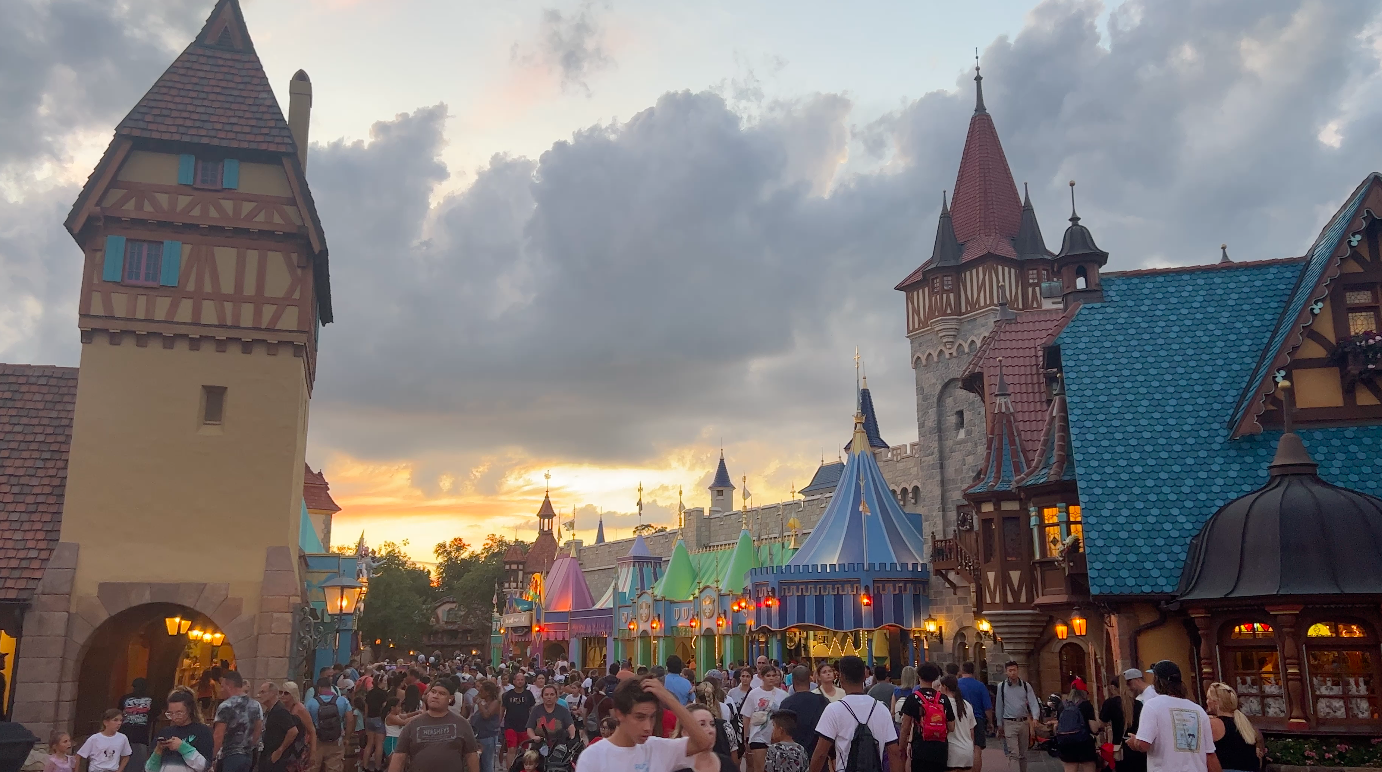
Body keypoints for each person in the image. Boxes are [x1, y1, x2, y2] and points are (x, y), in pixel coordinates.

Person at [575, 676, 711, 772]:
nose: (648, 727)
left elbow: (703, 742)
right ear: (619, 714)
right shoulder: (593, 757)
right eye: (640, 717)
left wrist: (668, 698)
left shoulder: (658, 749)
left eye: (652, 717)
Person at [809, 656, 901, 772]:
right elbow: (894, 752)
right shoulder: (881, 709)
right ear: (864, 677)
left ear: (841, 678)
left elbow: (821, 753)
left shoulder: (833, 710)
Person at [1126, 661, 1219, 772]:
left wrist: (1135, 742)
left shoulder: (1152, 705)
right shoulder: (1198, 710)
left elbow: (1143, 744)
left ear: (1157, 680)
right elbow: (1210, 754)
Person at [385, 681, 479, 772]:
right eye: (433, 692)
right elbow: (399, 757)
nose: (435, 696)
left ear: (450, 698)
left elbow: (471, 755)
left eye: (442, 693)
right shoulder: (412, 725)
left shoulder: (461, 724)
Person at [899, 663, 954, 772]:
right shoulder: (943, 698)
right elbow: (951, 726)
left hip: (920, 748)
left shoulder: (913, 698)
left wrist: (901, 747)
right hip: (940, 749)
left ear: (919, 676)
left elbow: (905, 727)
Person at [147, 690, 213, 772]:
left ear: (189, 710)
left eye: (179, 713)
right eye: (170, 713)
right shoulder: (164, 732)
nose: (174, 717)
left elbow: (205, 766)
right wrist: (158, 751)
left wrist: (182, 747)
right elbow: (150, 769)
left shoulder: (202, 731)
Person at [212, 671, 262, 772]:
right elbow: (258, 730)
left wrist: (211, 757)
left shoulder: (226, 706)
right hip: (248, 756)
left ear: (229, 686)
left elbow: (218, 736)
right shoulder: (255, 705)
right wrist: (249, 746)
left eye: (222, 686)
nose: (220, 690)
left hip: (230, 756)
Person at [994, 661, 1040, 772]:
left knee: (1023, 754)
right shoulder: (1001, 687)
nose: (1013, 673)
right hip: (1009, 722)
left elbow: (1033, 702)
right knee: (1014, 754)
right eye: (1010, 670)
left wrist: (1035, 717)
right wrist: (999, 724)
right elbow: (999, 705)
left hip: (1023, 722)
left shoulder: (1025, 686)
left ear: (1017, 670)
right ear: (1006, 672)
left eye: (1014, 670)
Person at [1204, 684, 1261, 772]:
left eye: (1208, 698)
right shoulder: (1245, 723)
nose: (1207, 701)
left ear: (1216, 702)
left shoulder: (1214, 724)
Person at [743, 666, 790, 772]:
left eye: (773, 675)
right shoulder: (753, 694)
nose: (771, 678)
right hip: (758, 736)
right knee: (760, 768)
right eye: (768, 676)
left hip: (776, 737)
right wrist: (745, 738)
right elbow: (746, 717)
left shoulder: (783, 695)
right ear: (762, 677)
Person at [779, 666, 828, 759]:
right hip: (817, 754)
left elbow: (781, 732)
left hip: (793, 756)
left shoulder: (786, 703)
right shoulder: (822, 701)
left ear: (793, 681)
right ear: (809, 679)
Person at [306, 676, 351, 772]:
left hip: (317, 741)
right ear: (330, 687)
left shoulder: (311, 702)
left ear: (319, 688)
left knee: (313, 767)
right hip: (336, 740)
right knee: (334, 768)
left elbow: (305, 722)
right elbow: (350, 719)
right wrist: (347, 738)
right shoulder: (343, 701)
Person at [257, 681, 302, 772]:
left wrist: (279, 751)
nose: (259, 695)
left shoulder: (280, 710)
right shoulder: (270, 710)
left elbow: (293, 731)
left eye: (262, 692)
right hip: (266, 754)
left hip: (277, 759)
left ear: (272, 693)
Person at [1053, 685, 1100, 772]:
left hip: (1066, 743)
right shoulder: (1086, 704)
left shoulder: (1062, 705)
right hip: (1084, 743)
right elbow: (1094, 728)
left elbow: (1057, 726)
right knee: (1088, 767)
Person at [680, 704, 738, 772]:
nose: (711, 730)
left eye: (712, 724)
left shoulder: (727, 764)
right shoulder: (678, 767)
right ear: (686, 732)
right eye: (702, 724)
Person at [957, 663, 993, 772]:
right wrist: (990, 722)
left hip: (961, 718)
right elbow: (987, 707)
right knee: (977, 748)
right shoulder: (980, 685)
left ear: (962, 670)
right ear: (974, 671)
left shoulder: (957, 684)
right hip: (977, 718)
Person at [1122, 668, 1156, 772]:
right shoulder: (1138, 698)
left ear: (1137, 680)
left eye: (1129, 683)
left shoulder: (1153, 692)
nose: (1129, 688)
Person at [941, 677, 977, 771]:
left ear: (944, 687)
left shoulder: (943, 705)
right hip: (967, 751)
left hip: (951, 751)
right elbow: (972, 731)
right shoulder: (967, 705)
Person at [502, 671, 536, 768]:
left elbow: (532, 710)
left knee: (524, 750)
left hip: (525, 726)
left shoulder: (528, 694)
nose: (520, 682)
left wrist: (534, 723)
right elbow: (502, 709)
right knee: (511, 749)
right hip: (510, 725)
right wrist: (499, 722)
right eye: (518, 680)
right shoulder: (507, 695)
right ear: (514, 681)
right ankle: (510, 769)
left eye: (522, 680)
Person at [280, 684, 317, 772]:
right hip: (286, 747)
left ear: (293, 694)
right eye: (281, 692)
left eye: (286, 693)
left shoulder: (300, 709)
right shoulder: (282, 707)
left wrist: (313, 753)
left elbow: (312, 731)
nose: (282, 695)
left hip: (299, 748)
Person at [473, 680, 503, 772]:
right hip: (479, 735)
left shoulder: (495, 702)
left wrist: (479, 702)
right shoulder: (484, 702)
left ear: (488, 692)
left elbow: (486, 715)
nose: (479, 693)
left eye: (481, 691)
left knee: (487, 763)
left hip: (488, 736)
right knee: (479, 764)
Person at [363, 676, 390, 772]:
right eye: (385, 681)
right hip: (379, 719)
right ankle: (377, 767)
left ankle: (365, 766)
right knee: (379, 744)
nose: (386, 683)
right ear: (380, 682)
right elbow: (384, 707)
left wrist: (366, 718)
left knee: (369, 743)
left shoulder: (369, 693)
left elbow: (366, 708)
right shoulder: (383, 694)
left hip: (369, 719)